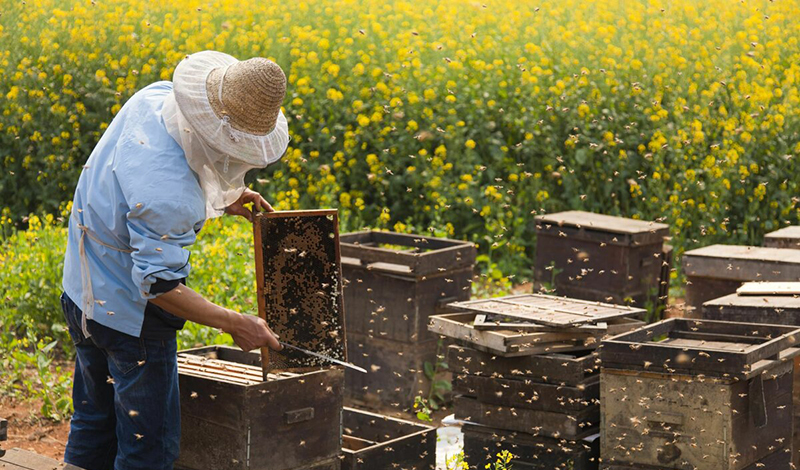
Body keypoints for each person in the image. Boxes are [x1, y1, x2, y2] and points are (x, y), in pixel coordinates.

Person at [60, 51, 287, 470]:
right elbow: (159, 286)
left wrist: (228, 196)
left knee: (94, 420)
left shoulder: (154, 98)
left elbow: (146, 173)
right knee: (149, 448)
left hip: (79, 289)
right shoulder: (170, 197)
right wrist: (236, 322)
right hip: (129, 320)